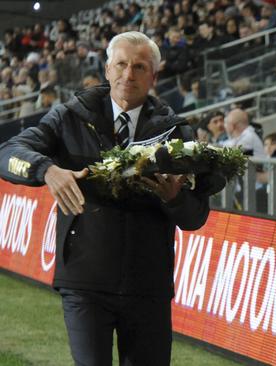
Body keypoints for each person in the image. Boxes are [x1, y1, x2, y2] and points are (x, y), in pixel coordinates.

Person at [0, 31, 210, 365]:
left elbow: (196, 216)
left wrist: (174, 199)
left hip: (148, 285)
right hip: (85, 281)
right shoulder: (69, 117)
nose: (129, 74)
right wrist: (47, 170)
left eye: (140, 67)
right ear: (107, 70)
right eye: (122, 64)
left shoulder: (177, 133)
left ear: (154, 76)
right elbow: (8, 151)